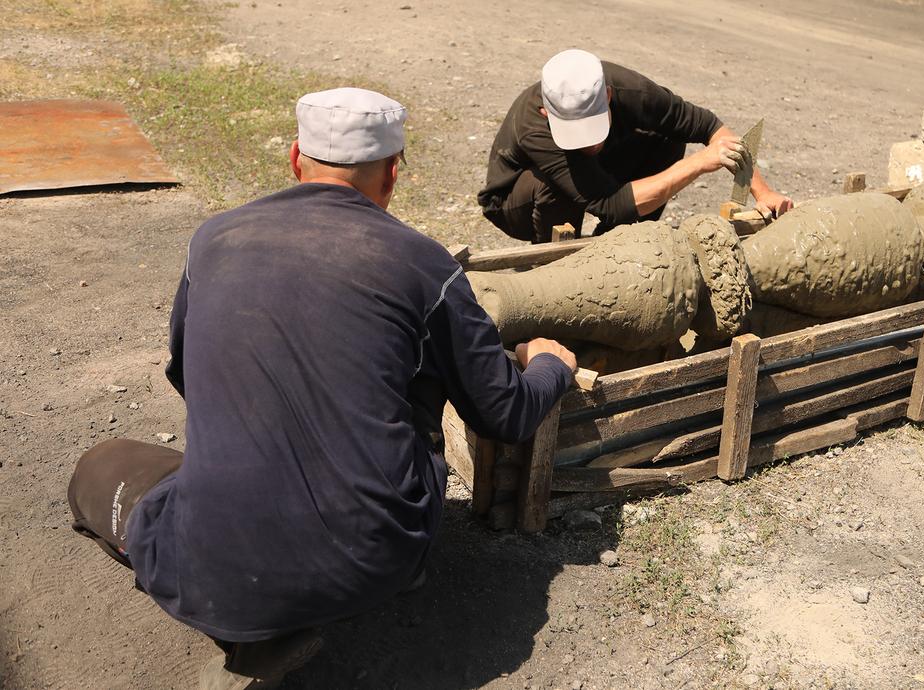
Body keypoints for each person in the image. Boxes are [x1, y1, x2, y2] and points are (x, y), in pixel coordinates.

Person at [67, 87, 577, 689]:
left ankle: (249, 620)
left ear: (293, 158)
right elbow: (504, 415)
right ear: (391, 175)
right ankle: (349, 577)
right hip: (379, 553)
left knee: (96, 470)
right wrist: (550, 365)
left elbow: (186, 374)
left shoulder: (211, 241)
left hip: (210, 565)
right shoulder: (424, 267)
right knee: (413, 383)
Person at [478, 48, 793, 244]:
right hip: (513, 204)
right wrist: (696, 164)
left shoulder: (633, 91)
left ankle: (619, 244)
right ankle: (557, 265)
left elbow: (709, 127)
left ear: (610, 96)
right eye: (576, 134)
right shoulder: (536, 128)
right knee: (553, 186)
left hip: (594, 177)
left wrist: (762, 192)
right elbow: (609, 202)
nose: (589, 143)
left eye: (593, 129)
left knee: (668, 137)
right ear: (548, 114)